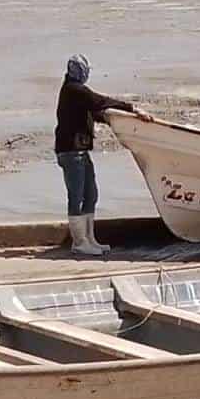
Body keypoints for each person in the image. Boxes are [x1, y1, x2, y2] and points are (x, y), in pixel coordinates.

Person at [54, 54, 151, 256]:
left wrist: (118, 119)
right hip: (71, 153)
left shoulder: (75, 92)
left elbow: (96, 112)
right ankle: (79, 242)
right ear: (79, 71)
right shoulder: (74, 90)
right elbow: (100, 101)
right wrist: (132, 108)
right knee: (77, 196)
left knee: (91, 194)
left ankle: (90, 239)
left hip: (80, 151)